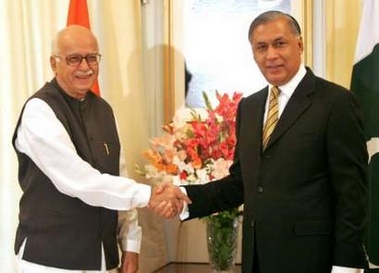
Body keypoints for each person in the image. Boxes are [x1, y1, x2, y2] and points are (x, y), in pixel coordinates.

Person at [152, 10, 369, 273]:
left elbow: (352, 193)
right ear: (253, 53)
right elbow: (242, 183)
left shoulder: (336, 102)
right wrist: (185, 194)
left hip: (315, 261)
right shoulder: (250, 106)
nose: (271, 55)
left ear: (299, 45)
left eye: (280, 43)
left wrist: (346, 264)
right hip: (257, 259)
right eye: (261, 47)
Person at [12, 25, 190, 273]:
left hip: (101, 258)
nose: (85, 67)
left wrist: (130, 243)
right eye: (74, 59)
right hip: (50, 260)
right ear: (54, 63)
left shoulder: (104, 110)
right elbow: (78, 181)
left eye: (92, 57)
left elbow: (118, 174)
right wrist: (150, 196)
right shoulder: (39, 110)